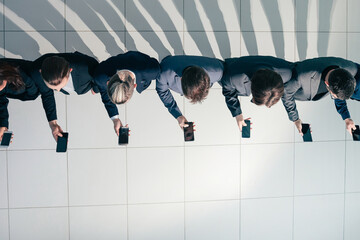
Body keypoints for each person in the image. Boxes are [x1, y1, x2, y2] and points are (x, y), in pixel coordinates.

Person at [281, 56, 359, 135]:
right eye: (333, 96)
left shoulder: (351, 70)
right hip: (287, 82)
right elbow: (286, 93)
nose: (335, 98)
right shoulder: (301, 77)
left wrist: (346, 118)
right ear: (327, 84)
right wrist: (295, 119)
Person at [31, 52, 99, 141]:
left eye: (60, 86)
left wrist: (96, 88)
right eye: (54, 88)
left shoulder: (86, 67)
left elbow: (100, 73)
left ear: (70, 70)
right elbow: (47, 94)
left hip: (85, 81)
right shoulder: (39, 71)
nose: (58, 90)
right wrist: (53, 124)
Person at [93, 51, 160, 136]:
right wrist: (115, 119)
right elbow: (104, 92)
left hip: (138, 60)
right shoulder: (100, 77)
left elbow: (154, 63)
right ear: (108, 83)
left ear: (135, 85)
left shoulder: (151, 71)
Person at [221, 56, 294, 131]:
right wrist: (237, 114)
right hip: (235, 65)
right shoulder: (233, 77)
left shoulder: (287, 73)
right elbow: (228, 91)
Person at [156, 55, 224, 129]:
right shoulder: (164, 73)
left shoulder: (217, 71)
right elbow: (162, 92)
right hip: (171, 61)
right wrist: (177, 115)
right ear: (181, 79)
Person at [0, 59, 39, 141]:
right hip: (28, 92)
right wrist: (3, 125)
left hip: (36, 81)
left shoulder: (17, 72)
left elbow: (33, 90)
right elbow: (2, 102)